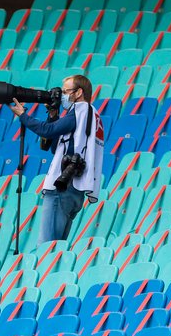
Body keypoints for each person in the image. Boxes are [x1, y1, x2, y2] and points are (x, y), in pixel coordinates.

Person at [9, 74, 104, 244]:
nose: (63, 97)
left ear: (78, 92)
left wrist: (23, 115)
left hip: (62, 187)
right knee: (56, 246)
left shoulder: (80, 110)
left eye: (66, 92)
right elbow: (55, 147)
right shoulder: (91, 115)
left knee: (46, 246)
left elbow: (47, 131)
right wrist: (53, 114)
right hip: (75, 187)